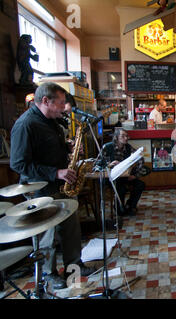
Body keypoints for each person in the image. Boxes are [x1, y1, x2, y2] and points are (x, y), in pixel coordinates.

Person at [10, 82, 95, 289]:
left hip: (61, 185)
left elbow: (51, 150)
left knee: (71, 227)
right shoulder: (26, 125)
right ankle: (48, 273)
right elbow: (18, 163)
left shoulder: (53, 122)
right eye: (60, 102)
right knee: (46, 235)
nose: (64, 106)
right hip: (40, 189)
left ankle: (74, 264)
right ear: (45, 101)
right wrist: (55, 172)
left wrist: (69, 150)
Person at [98, 128, 146, 216]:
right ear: (116, 137)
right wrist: (109, 165)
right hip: (110, 178)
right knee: (121, 188)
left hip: (124, 177)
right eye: (123, 136)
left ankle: (130, 206)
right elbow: (97, 164)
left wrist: (135, 175)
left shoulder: (128, 147)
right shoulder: (107, 147)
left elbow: (140, 159)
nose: (126, 138)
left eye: (127, 136)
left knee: (140, 184)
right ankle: (119, 209)